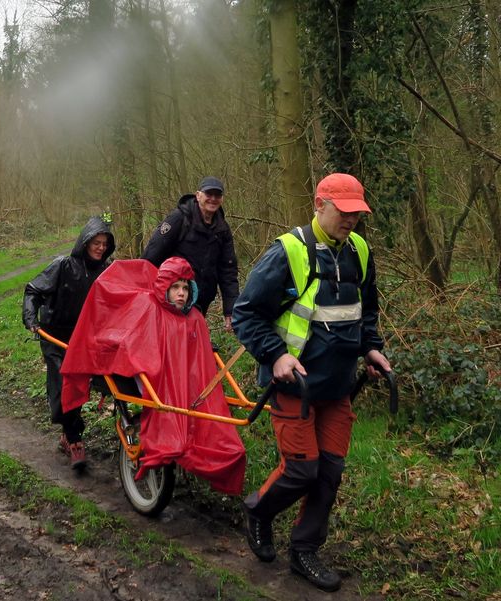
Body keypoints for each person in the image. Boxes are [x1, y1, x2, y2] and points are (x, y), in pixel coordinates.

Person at [232, 173, 391, 592]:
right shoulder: (287, 251)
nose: (351, 220)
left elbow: (365, 310)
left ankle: (304, 550)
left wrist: (371, 348)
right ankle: (260, 512)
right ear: (320, 204)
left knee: (330, 472)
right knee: (303, 470)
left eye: (357, 213)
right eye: (344, 211)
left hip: (337, 388)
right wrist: (276, 354)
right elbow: (246, 313)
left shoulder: (359, 250)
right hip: (294, 387)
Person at [61, 257, 246, 493]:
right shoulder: (150, 309)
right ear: (165, 288)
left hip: (185, 387)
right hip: (153, 381)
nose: (181, 294)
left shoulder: (195, 319)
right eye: (176, 288)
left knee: (224, 442)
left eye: (185, 288)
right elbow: (133, 343)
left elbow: (196, 364)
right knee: (174, 431)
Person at [22, 217, 115, 469]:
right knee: (63, 385)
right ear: (85, 242)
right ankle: (74, 440)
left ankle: (69, 433)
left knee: (82, 386)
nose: (100, 248)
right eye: (96, 242)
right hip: (55, 335)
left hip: (84, 338)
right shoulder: (63, 266)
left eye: (104, 243)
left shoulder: (107, 271)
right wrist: (30, 317)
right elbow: (33, 290)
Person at [142, 176, 239, 331]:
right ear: (198, 195)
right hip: (173, 298)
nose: (213, 199)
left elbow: (228, 271)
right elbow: (151, 255)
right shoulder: (179, 219)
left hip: (202, 300)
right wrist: (144, 294)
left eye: (217, 195)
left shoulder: (223, 229)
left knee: (191, 342)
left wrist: (231, 309)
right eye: (209, 194)